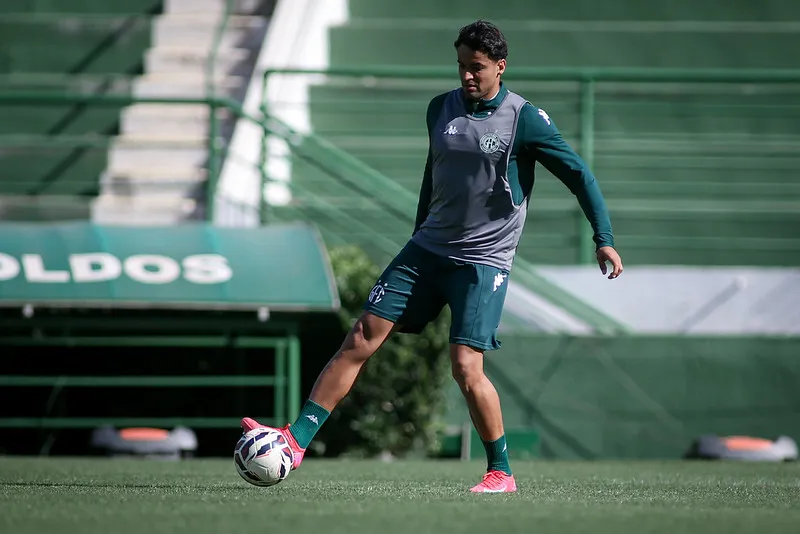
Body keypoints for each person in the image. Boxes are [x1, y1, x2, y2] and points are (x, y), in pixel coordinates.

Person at [242, 19, 623, 493]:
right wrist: (420, 229)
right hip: (427, 250)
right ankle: (296, 442)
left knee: (465, 366)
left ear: (500, 68)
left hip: (484, 261)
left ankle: (500, 472)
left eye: (477, 68)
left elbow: (579, 174)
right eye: (462, 66)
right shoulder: (439, 109)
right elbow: (434, 173)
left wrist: (601, 236)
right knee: (361, 335)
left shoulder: (524, 119)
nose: (467, 76)